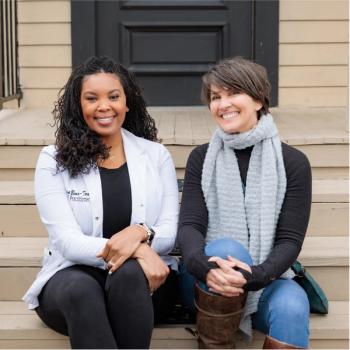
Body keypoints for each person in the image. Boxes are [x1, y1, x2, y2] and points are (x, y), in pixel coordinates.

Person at [23, 56, 179, 349]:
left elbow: (169, 232)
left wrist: (141, 233)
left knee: (130, 275)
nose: (104, 106)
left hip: (145, 285)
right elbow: (68, 242)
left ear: (127, 102)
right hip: (72, 279)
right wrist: (139, 251)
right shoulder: (52, 160)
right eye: (91, 98)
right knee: (82, 290)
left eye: (114, 97)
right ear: (78, 106)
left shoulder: (156, 156)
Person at [177, 57, 312, 349]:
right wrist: (204, 267)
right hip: (204, 280)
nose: (223, 104)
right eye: (216, 97)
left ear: (259, 99)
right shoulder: (202, 159)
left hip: (264, 278)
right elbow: (190, 226)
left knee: (292, 306)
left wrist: (257, 275)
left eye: (233, 93)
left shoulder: (293, 163)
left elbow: (289, 240)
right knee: (227, 251)